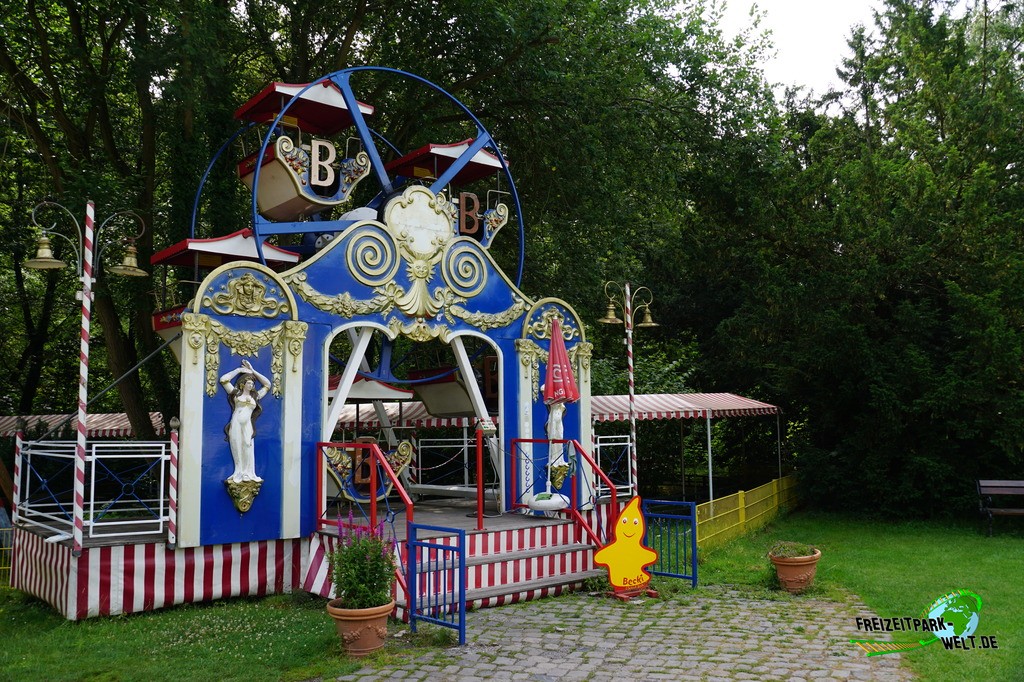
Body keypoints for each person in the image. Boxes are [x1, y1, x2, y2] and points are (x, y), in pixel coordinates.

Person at [220, 359, 271, 483]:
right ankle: (239, 471)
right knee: (237, 445)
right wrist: (239, 370)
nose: (251, 385)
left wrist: (253, 371)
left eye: (252, 383)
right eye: (249, 383)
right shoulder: (236, 394)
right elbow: (223, 380)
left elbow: (267, 385)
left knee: (247, 446)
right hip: (236, 423)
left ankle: (248, 472)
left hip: (247, 425)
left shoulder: (255, 396)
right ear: (243, 384)